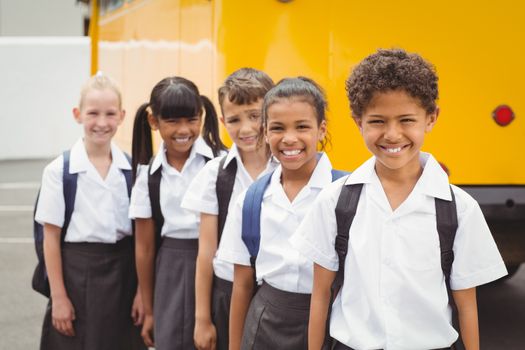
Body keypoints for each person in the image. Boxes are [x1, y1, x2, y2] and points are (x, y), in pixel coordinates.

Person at [290, 48, 508, 350]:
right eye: (378, 121)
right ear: (358, 121)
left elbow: (466, 304)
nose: (392, 135)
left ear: (431, 119)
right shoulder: (335, 202)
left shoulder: (459, 209)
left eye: (407, 120)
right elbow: (321, 294)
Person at [217, 77, 338, 350]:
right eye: (278, 128)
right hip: (265, 325)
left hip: (331, 324)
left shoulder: (344, 196)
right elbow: (242, 285)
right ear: (265, 132)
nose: (290, 138)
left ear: (321, 130)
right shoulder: (251, 200)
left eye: (302, 127)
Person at [35, 72, 146, 350]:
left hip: (124, 275)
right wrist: (59, 298)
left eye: (110, 114)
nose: (101, 122)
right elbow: (50, 238)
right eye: (93, 113)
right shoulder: (59, 171)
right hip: (76, 275)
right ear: (77, 114)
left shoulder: (133, 171)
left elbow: (143, 238)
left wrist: (143, 292)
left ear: (121, 116)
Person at [181, 68, 276, 350]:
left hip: (273, 294)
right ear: (222, 121)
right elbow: (205, 253)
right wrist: (202, 319)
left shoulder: (288, 169)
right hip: (226, 291)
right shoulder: (216, 175)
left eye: (255, 116)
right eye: (234, 119)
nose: (245, 129)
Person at [129, 76, 226, 350]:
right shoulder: (147, 177)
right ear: (153, 121)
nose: (184, 130)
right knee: (172, 340)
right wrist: (149, 309)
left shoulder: (222, 163)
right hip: (170, 268)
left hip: (218, 263)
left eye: (191, 119)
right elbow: (145, 249)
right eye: (172, 121)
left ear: (202, 116)